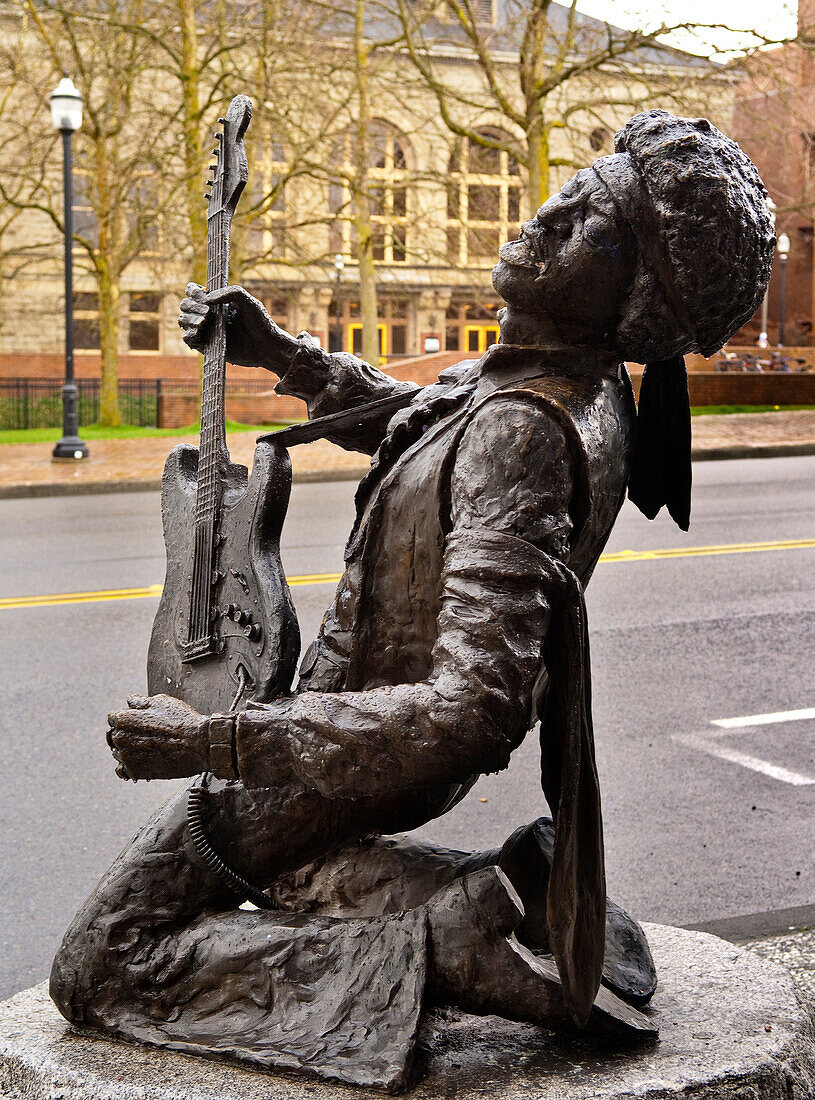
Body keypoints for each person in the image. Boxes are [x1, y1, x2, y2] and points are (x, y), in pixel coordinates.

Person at [50, 111, 773, 1091]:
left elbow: (471, 712)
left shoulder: (524, 427)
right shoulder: (556, 376)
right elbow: (414, 416)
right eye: (577, 184)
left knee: (107, 958)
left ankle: (439, 944)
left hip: (342, 749)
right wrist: (283, 353)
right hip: (342, 740)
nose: (552, 212)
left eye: (594, 230)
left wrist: (211, 741)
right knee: (299, 879)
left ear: (630, 300)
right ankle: (479, 902)